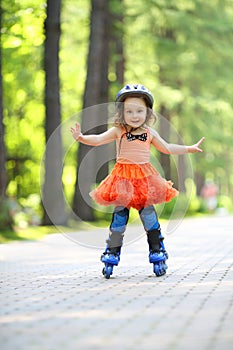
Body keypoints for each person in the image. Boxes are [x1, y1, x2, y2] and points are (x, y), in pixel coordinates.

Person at [70, 84, 205, 278]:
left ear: (147, 112)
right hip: (122, 179)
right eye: (130, 111)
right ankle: (112, 252)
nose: (135, 115)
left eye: (139, 111)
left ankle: (157, 250)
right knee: (119, 219)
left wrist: (189, 148)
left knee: (149, 217)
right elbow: (98, 139)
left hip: (144, 179)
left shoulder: (150, 133)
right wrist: (81, 137)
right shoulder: (118, 130)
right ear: (122, 113)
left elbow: (166, 148)